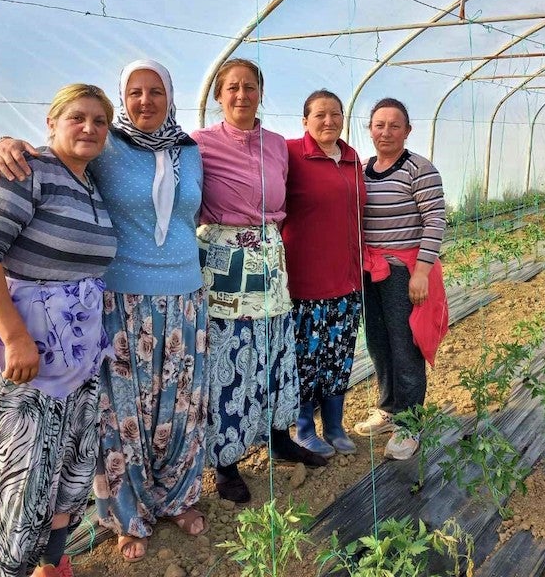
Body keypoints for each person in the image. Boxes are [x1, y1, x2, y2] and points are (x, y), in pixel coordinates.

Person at [0, 60, 208, 564]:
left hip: (186, 295)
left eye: (156, 91)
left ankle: (176, 498)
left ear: (170, 97)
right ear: (122, 99)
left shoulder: (191, 152)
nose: (146, 100)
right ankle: (128, 516)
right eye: (135, 92)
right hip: (119, 298)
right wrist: (7, 142)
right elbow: (60, 150)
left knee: (180, 405)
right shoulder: (107, 145)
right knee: (122, 411)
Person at [0, 84, 118, 577]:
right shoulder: (26, 171)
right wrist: (15, 337)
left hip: (75, 356)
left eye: (100, 121)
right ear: (51, 123)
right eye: (77, 118)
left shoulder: (91, 182)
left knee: (69, 468)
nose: (89, 128)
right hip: (19, 354)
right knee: (20, 479)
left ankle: (52, 564)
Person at [192, 58, 328, 504]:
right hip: (225, 259)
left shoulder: (275, 144)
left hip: (269, 259)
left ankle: (277, 434)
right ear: (218, 96)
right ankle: (225, 461)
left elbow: (319, 156)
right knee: (229, 356)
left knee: (273, 348)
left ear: (261, 92)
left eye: (250, 86)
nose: (241, 94)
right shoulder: (199, 144)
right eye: (232, 87)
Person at [353, 97, 449, 460]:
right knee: (378, 341)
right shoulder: (362, 170)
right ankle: (388, 407)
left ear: (408, 131)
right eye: (379, 125)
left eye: (395, 125)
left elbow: (435, 221)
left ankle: (409, 424)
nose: (386, 132)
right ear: (370, 130)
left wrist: (421, 272)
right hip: (371, 270)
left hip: (403, 271)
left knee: (405, 345)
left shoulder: (419, 169)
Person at [283, 90, 367, 457]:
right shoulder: (290, 154)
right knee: (307, 358)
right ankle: (303, 428)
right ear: (305, 121)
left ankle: (334, 425)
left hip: (347, 282)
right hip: (306, 283)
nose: (329, 121)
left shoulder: (351, 159)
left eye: (336, 114)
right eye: (320, 114)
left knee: (339, 356)